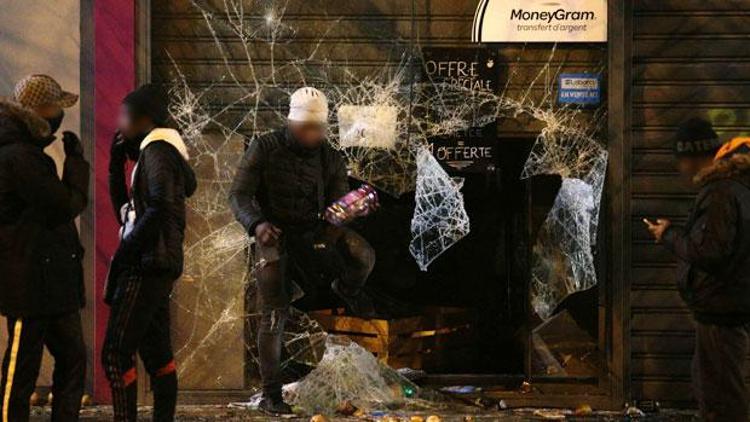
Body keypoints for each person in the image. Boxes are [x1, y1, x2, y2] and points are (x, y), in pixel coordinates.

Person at [229, 87, 377, 415]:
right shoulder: (264, 147)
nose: (311, 135)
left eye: (317, 129)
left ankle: (346, 287)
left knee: (362, 255)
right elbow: (238, 195)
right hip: (275, 233)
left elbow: (338, 201)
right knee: (272, 312)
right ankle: (271, 394)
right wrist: (257, 224)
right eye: (304, 129)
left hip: (312, 231)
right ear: (291, 123)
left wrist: (341, 218)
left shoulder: (330, 156)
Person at [102, 84, 196, 422]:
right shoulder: (153, 151)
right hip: (153, 263)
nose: (119, 124)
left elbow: (159, 207)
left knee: (115, 355)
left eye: (124, 116)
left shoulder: (157, 151)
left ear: (143, 119)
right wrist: (115, 166)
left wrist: (128, 251)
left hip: (147, 264)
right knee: (156, 355)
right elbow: (128, 212)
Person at [646, 117, 750, 421]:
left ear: (692, 157)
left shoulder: (721, 192)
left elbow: (709, 251)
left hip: (721, 310)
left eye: (681, 160)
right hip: (722, 309)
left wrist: (668, 235)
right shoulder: (736, 187)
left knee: (721, 397)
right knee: (714, 391)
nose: (680, 169)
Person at [0, 74, 89, 422]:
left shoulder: (27, 154)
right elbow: (64, 205)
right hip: (30, 283)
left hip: (49, 281)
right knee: (21, 368)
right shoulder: (19, 158)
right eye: (57, 106)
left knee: (71, 358)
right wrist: (76, 165)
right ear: (39, 110)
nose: (60, 114)